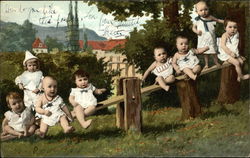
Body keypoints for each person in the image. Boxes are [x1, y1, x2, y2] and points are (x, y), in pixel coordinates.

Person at [192, 1, 224, 69]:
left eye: (205, 9)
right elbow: (193, 28)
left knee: (213, 51)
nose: (204, 12)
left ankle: (216, 62)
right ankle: (206, 64)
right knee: (205, 52)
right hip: (203, 38)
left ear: (208, 9)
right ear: (197, 11)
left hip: (211, 38)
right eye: (201, 10)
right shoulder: (197, 20)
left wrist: (225, 22)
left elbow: (217, 20)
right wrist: (197, 31)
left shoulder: (210, 17)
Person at [217, 18, 250, 82]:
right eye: (230, 27)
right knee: (237, 63)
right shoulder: (224, 35)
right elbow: (223, 46)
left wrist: (238, 55)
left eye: (235, 27)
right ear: (225, 28)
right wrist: (230, 53)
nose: (233, 29)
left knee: (241, 62)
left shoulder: (236, 34)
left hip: (234, 52)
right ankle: (242, 76)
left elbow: (234, 45)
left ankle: (239, 75)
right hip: (226, 53)